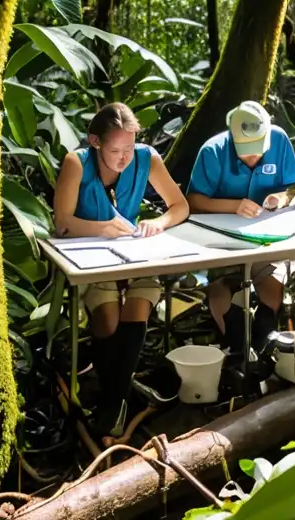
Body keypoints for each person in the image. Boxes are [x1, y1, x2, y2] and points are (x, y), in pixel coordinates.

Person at [53, 102, 189, 440]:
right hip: (93, 257)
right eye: (116, 150)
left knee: (139, 306)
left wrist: (157, 223)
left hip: (136, 253)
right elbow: (62, 223)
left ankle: (112, 404)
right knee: (108, 320)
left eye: (129, 148)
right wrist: (101, 228)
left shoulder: (147, 158)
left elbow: (180, 206)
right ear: (95, 142)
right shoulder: (77, 163)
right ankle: (115, 397)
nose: (124, 158)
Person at [187, 101, 295, 352]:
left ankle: (263, 348)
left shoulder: (280, 139)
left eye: (259, 150)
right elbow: (194, 200)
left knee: (273, 285)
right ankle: (236, 350)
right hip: (220, 242)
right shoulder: (212, 151)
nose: (254, 158)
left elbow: (294, 185)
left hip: (264, 238)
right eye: (246, 151)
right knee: (219, 287)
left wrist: (281, 199)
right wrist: (233, 206)